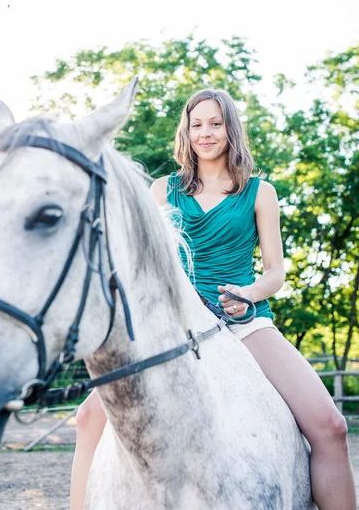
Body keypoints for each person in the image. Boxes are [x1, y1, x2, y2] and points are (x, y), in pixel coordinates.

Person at [70, 89, 356, 510]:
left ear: (230, 129)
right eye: (196, 123)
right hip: (177, 325)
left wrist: (249, 294)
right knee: (89, 417)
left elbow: (276, 272)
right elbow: (148, 267)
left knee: (332, 427)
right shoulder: (163, 190)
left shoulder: (260, 193)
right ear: (186, 130)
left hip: (244, 323)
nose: (205, 132)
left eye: (215, 123)